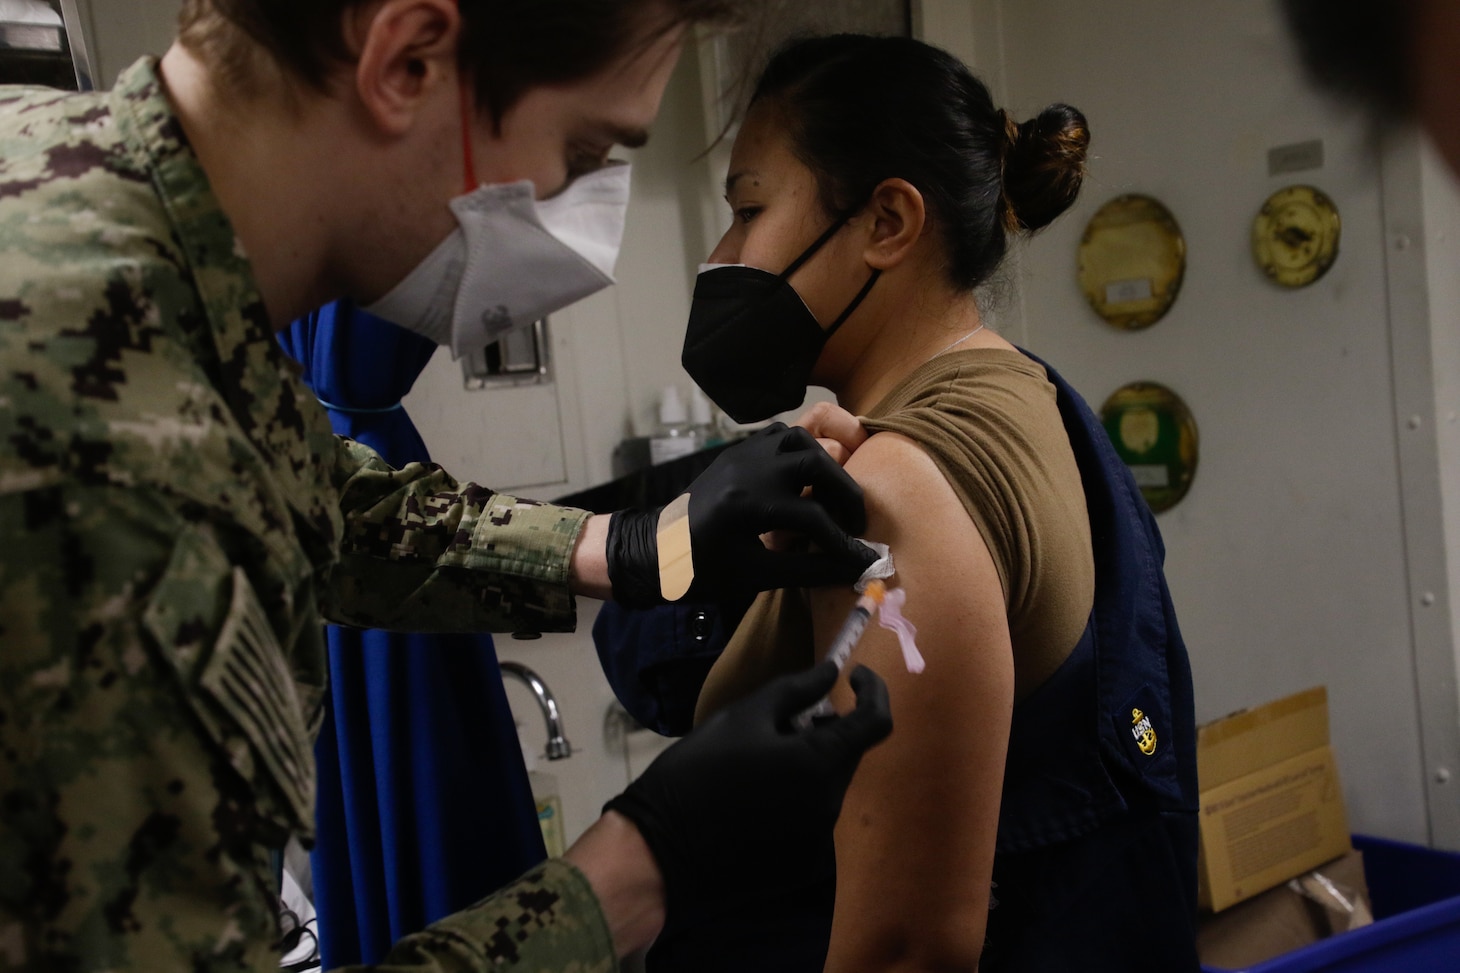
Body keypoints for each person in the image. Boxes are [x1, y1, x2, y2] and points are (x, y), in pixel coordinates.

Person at [0, 1, 897, 969]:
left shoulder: (99, 215)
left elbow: (307, 494)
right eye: (583, 148)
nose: (575, 204)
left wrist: (631, 546)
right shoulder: (88, 454)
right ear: (408, 61)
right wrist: (644, 863)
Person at [643, 34, 1200, 972]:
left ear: (889, 222)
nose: (721, 254)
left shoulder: (894, 489)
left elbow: (903, 949)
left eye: (748, 209)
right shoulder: (1038, 399)